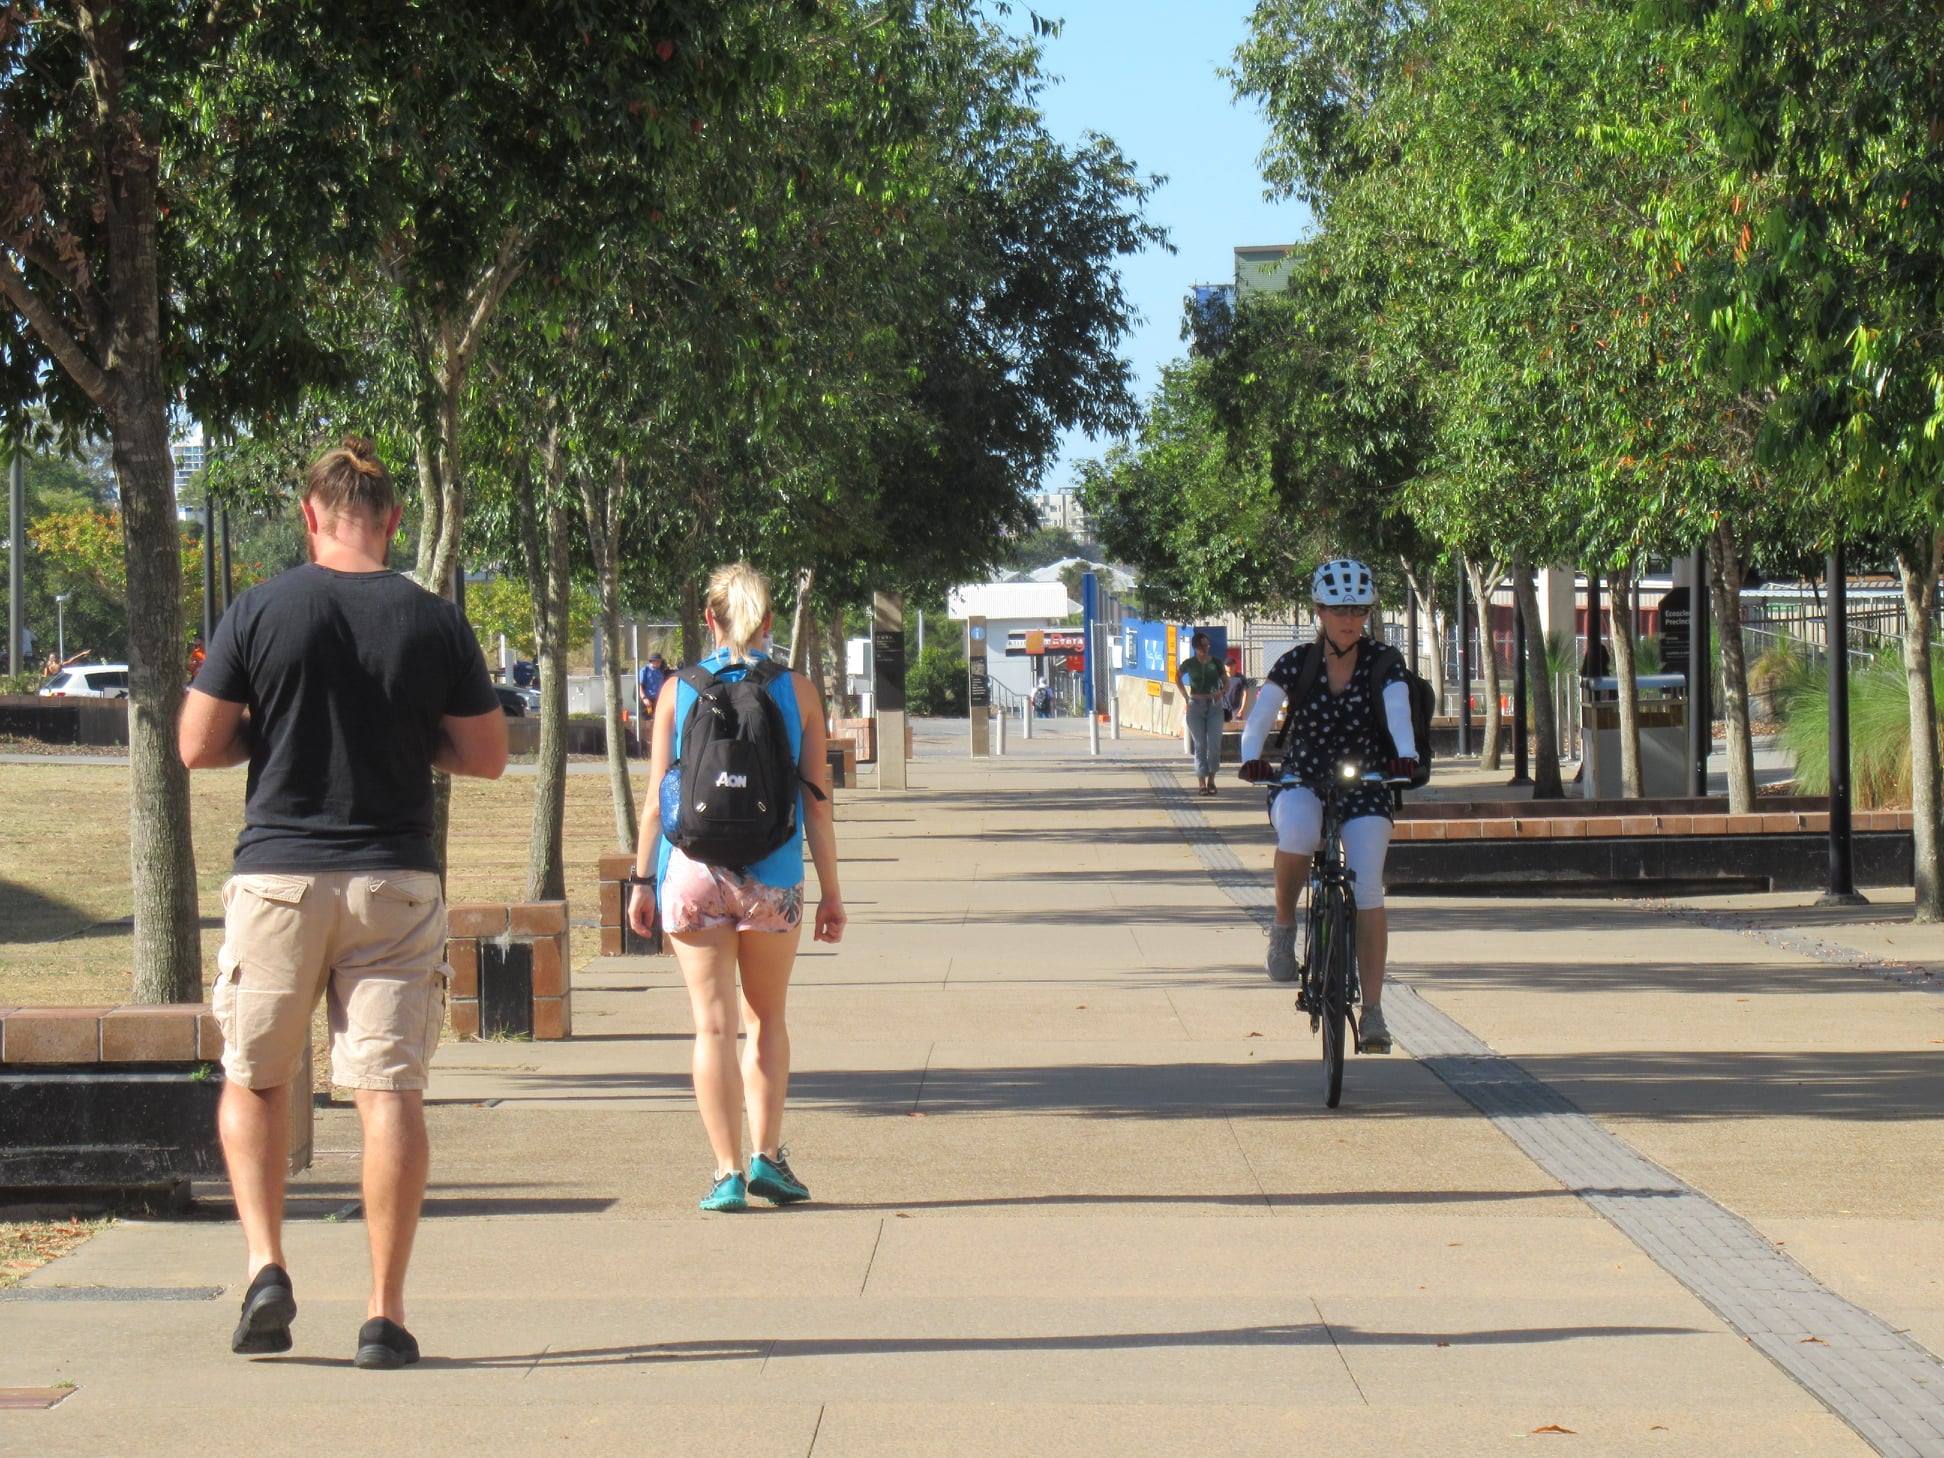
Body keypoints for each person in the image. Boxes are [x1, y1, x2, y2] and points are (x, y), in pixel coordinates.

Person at [178, 435, 507, 1368]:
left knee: (256, 1077)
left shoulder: (260, 609)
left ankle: (265, 1267)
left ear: (310, 516)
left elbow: (197, 744)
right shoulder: (434, 619)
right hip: (394, 880)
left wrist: (272, 734)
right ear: (394, 519)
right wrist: (410, 741)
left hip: (278, 877)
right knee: (388, 1090)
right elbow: (486, 755)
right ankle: (384, 1315)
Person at [627, 562, 844, 1212]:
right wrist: (832, 891)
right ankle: (766, 1159)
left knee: (712, 1027)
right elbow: (817, 805)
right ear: (770, 620)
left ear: (709, 618)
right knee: (766, 1019)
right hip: (772, 878)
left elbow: (656, 797)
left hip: (691, 874)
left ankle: (724, 1173)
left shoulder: (677, 690)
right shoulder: (799, 691)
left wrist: (642, 879)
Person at [1236, 558, 1419, 1054]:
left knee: (1368, 887)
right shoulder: (1297, 662)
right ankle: (1283, 924)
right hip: (1303, 777)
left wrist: (1405, 754)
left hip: (1368, 783)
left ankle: (1373, 1011)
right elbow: (1262, 714)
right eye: (1339, 609)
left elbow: (1398, 709)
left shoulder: (1384, 662)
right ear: (1319, 611)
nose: (1349, 619)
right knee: (1298, 834)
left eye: (1359, 610)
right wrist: (1251, 757)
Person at [1176, 631, 1228, 797]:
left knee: (1214, 744)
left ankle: (1211, 779)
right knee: (1200, 745)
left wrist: (1222, 692)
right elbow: (1177, 676)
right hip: (1195, 705)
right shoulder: (1190, 663)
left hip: (1214, 705)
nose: (1206, 648)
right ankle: (1201, 783)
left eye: (1207, 645)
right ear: (1196, 647)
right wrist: (1185, 696)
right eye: (1202, 645)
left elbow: (1226, 680)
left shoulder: (1216, 662)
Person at [637, 651, 670, 722]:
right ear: (653, 661)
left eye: (660, 661)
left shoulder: (661, 671)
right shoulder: (645, 670)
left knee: (657, 720)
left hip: (658, 700)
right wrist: (644, 699)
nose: (660, 663)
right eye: (658, 661)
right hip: (648, 702)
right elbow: (640, 686)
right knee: (648, 721)